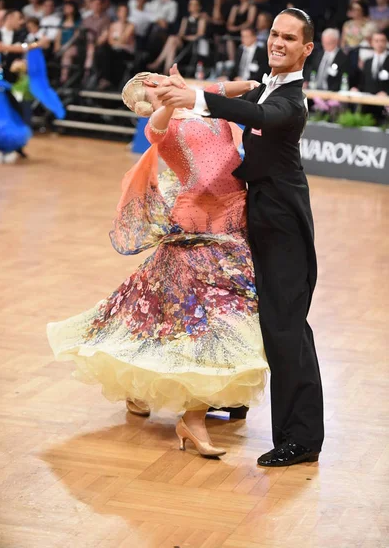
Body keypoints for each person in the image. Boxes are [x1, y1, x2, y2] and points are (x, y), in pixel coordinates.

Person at [47, 68, 270, 458]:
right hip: (198, 227)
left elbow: (232, 88)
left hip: (235, 221)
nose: (160, 81)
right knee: (206, 319)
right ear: (148, 98)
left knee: (171, 315)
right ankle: (194, 417)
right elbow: (156, 127)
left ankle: (155, 392)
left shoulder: (199, 99)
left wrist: (257, 86)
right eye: (151, 84)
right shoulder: (161, 123)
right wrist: (167, 103)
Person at [156, 8, 325, 467]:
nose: (279, 42)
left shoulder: (289, 102)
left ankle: (303, 439)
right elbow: (236, 94)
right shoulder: (268, 85)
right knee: (263, 320)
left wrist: (194, 96)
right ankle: (238, 400)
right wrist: (181, 88)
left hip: (285, 226)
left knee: (286, 328)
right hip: (263, 220)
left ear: (307, 49)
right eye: (275, 34)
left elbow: (254, 111)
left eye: (290, 38)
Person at [147, 0, 206, 75]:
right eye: (190, 4)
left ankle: (159, 64)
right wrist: (181, 37)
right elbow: (181, 33)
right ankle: (166, 71)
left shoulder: (201, 19)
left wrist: (186, 37)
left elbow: (200, 34)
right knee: (172, 41)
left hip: (192, 45)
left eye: (194, 4)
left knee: (172, 41)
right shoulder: (186, 19)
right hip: (182, 42)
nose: (192, 6)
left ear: (199, 7)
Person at [351, 30, 389, 124]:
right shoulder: (367, 62)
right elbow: (363, 83)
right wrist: (356, 89)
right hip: (367, 105)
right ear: (372, 43)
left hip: (384, 107)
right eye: (376, 41)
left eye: (382, 40)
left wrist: (387, 93)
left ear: (386, 43)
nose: (379, 43)